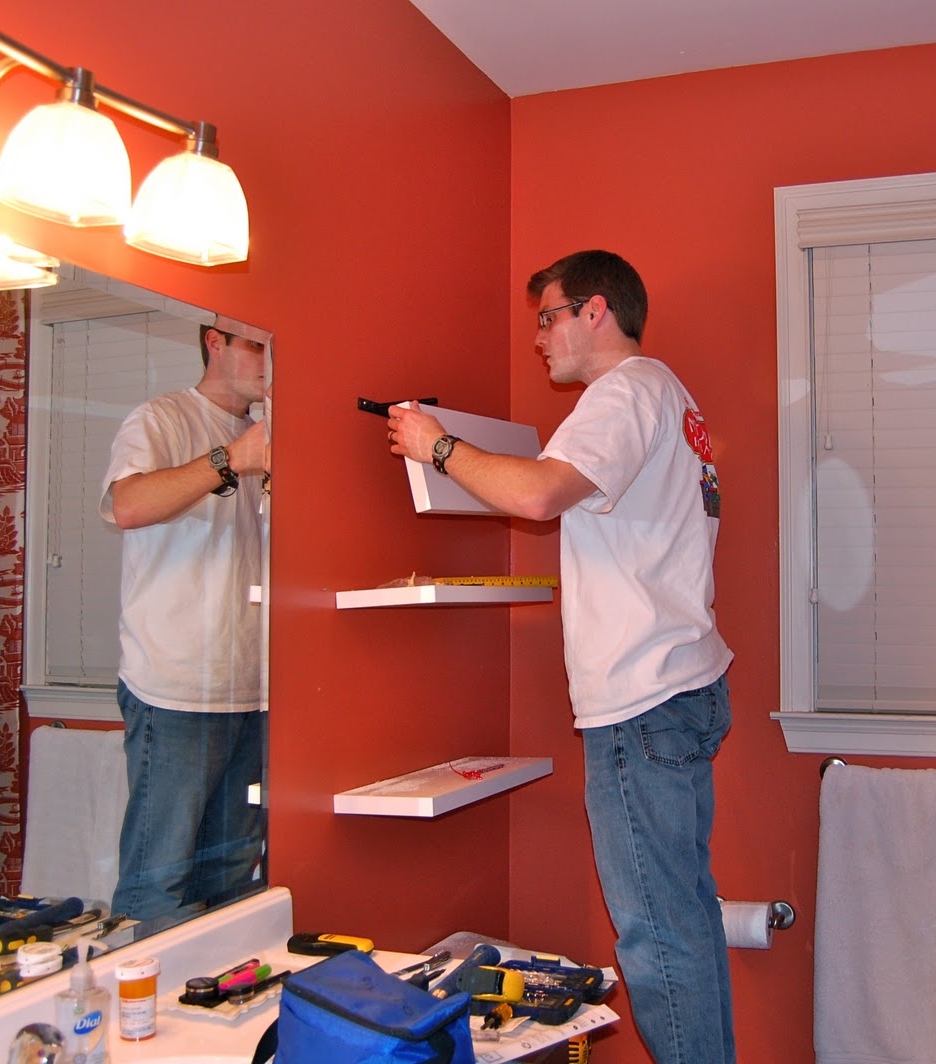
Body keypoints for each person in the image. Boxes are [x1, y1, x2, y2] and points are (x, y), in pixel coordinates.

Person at [386, 250, 736, 1064]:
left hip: (644, 699)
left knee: (657, 933)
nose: (539, 338)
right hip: (682, 685)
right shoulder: (668, 395)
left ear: (595, 310)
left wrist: (438, 447)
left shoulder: (623, 392)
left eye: (548, 317)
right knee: (685, 917)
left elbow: (540, 493)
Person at [101, 318, 269, 922]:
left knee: (232, 875)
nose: (269, 361)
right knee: (159, 879)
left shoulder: (277, 436)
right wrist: (233, 459)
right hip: (174, 687)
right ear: (214, 341)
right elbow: (127, 505)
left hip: (257, 690)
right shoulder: (161, 419)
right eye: (256, 345)